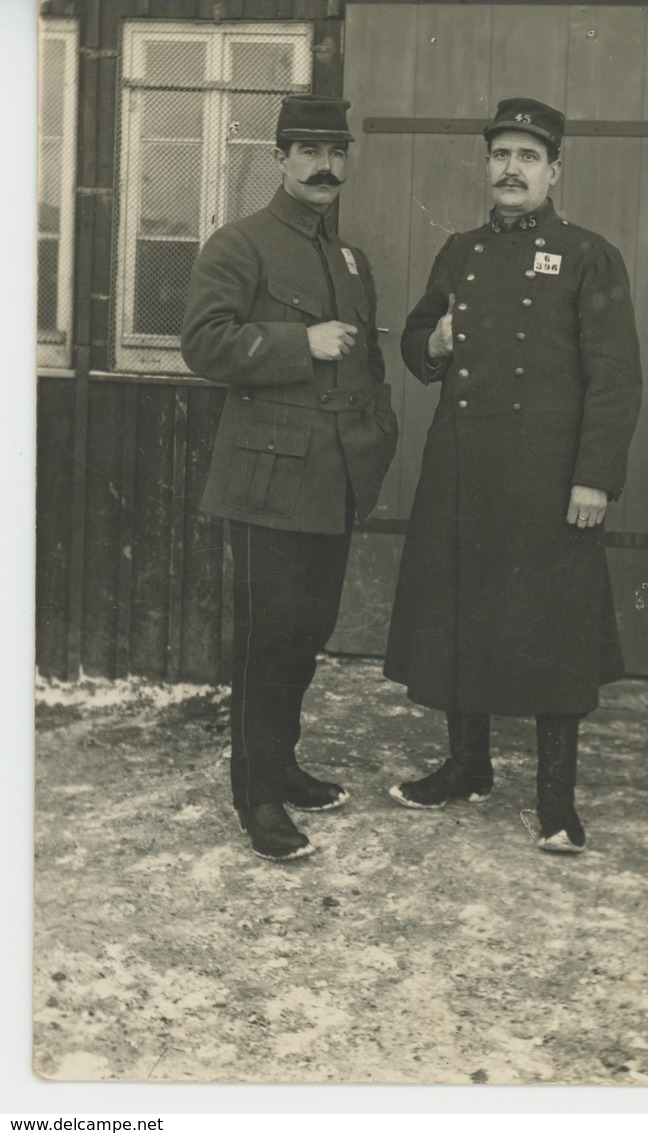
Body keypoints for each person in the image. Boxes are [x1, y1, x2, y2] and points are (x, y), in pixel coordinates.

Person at [383, 97, 642, 853]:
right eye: (500, 155)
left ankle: (556, 802)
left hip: (549, 479)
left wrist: (595, 477)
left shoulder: (590, 254)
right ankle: (468, 766)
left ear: (553, 171)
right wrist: (432, 337)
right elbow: (411, 343)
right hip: (465, 469)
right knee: (464, 618)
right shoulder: (459, 251)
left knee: (552, 631)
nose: (511, 169)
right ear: (485, 165)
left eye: (528, 157)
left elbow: (616, 377)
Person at [181, 95, 397, 863]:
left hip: (332, 483)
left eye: (335, 151)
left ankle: (282, 764)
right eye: (306, 150)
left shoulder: (349, 258)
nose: (323, 165)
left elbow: (368, 365)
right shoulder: (239, 244)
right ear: (279, 158)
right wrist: (299, 340)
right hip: (266, 486)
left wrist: (378, 435)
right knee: (264, 645)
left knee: (304, 639)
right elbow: (203, 343)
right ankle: (257, 797)